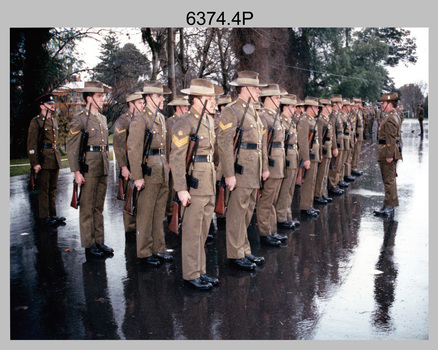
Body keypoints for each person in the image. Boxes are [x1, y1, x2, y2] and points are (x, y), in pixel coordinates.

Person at [169, 78, 222, 290]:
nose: (212, 101)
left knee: (203, 230)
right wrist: (181, 188)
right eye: (209, 98)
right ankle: (191, 275)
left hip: (208, 180)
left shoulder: (208, 120)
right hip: (194, 182)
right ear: (196, 100)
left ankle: (200, 271)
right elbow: (176, 157)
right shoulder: (185, 122)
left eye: (213, 98)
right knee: (192, 230)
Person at [217, 70, 268, 271]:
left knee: (247, 212)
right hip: (240, 169)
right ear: (245, 89)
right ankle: (234, 253)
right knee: (237, 212)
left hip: (252, 169)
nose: (258, 92)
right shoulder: (232, 110)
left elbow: (259, 144)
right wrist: (229, 173)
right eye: (255, 88)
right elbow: (224, 142)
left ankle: (244, 250)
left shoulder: (252, 110)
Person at [127, 81, 174, 266]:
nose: (162, 99)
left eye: (162, 95)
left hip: (161, 169)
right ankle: (144, 252)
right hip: (148, 171)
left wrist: (168, 163)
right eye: (158, 96)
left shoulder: (160, 118)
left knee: (158, 212)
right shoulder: (140, 119)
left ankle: (158, 248)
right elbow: (134, 149)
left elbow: (166, 145)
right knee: (146, 213)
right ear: (148, 98)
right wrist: (137, 176)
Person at [67, 81, 113, 258]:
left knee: (98, 206)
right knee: (87, 206)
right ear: (89, 98)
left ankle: (99, 241)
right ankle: (89, 244)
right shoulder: (79, 118)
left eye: (103, 96)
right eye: (99, 96)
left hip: (102, 164)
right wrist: (77, 172)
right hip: (89, 167)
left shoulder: (102, 118)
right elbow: (72, 147)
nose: (103, 99)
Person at [27, 93, 65, 226]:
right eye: (49, 104)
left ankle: (53, 214)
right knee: (44, 189)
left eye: (52, 103)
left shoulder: (53, 121)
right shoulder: (36, 121)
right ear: (42, 106)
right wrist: (35, 162)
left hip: (54, 158)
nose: (52, 105)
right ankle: (44, 217)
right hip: (43, 159)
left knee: (53, 188)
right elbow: (31, 144)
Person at [256, 84, 287, 247]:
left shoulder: (275, 117)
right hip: (271, 163)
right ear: (267, 99)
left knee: (273, 198)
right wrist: (265, 167)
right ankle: (265, 232)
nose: (279, 100)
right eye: (276, 98)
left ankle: (272, 230)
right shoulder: (264, 118)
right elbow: (263, 146)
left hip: (278, 162)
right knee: (266, 200)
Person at [113, 92, 145, 235]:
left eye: (143, 102)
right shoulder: (123, 120)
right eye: (139, 103)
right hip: (129, 165)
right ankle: (130, 229)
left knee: (140, 198)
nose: (142, 105)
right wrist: (123, 167)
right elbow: (118, 145)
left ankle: (139, 226)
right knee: (130, 196)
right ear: (131, 104)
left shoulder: (142, 119)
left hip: (140, 163)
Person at [373, 92, 402, 217]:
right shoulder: (393, 115)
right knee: (389, 180)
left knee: (389, 180)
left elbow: (390, 139)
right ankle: (388, 204)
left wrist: (389, 155)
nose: (382, 105)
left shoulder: (390, 118)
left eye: (384, 103)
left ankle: (389, 207)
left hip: (387, 151)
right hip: (388, 150)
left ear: (390, 104)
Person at [275, 94, 301, 230]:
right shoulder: (282, 121)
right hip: (286, 156)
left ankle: (287, 214)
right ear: (285, 107)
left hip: (293, 155)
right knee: (284, 189)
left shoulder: (290, 121)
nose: (295, 109)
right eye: (292, 107)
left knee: (290, 189)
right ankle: (281, 217)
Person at [165, 95, 190, 218]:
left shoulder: (187, 120)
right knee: (173, 190)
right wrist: (168, 161)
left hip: (185, 159)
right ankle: (171, 215)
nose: (187, 108)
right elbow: (168, 142)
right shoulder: (170, 122)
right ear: (178, 107)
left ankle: (181, 215)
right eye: (184, 105)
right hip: (174, 160)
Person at [297, 96, 321, 218]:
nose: (318, 109)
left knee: (312, 181)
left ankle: (309, 205)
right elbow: (303, 142)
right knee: (307, 182)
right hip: (309, 155)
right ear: (310, 107)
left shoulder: (311, 120)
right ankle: (305, 206)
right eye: (316, 107)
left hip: (314, 155)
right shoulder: (304, 121)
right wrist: (306, 158)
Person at [314, 97, 337, 205]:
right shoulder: (320, 120)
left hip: (327, 149)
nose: (331, 108)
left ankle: (322, 193)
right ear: (324, 107)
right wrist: (319, 153)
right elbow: (318, 137)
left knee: (324, 173)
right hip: (323, 148)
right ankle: (318, 194)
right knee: (321, 174)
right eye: (329, 106)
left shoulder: (326, 119)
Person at [327, 94, 345, 196]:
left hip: (340, 143)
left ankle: (336, 183)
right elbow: (332, 133)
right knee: (334, 167)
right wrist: (334, 147)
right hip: (336, 144)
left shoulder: (337, 115)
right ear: (336, 104)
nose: (341, 105)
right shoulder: (332, 116)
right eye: (340, 103)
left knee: (338, 165)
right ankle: (332, 186)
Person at [351, 97, 364, 176]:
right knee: (355, 151)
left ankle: (355, 166)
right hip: (357, 133)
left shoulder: (358, 111)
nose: (361, 104)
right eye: (360, 103)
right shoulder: (354, 112)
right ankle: (353, 168)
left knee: (357, 151)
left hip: (360, 133)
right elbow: (354, 124)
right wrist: (355, 135)